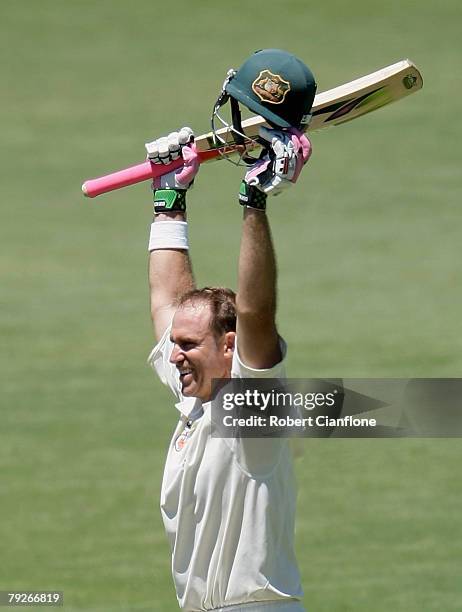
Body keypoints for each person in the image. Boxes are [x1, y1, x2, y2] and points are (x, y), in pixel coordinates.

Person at [145, 49, 316, 612]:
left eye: (189, 345)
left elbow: (258, 315)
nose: (175, 356)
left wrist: (254, 201)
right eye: (176, 344)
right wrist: (169, 205)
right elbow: (169, 302)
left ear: (229, 348)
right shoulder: (193, 396)